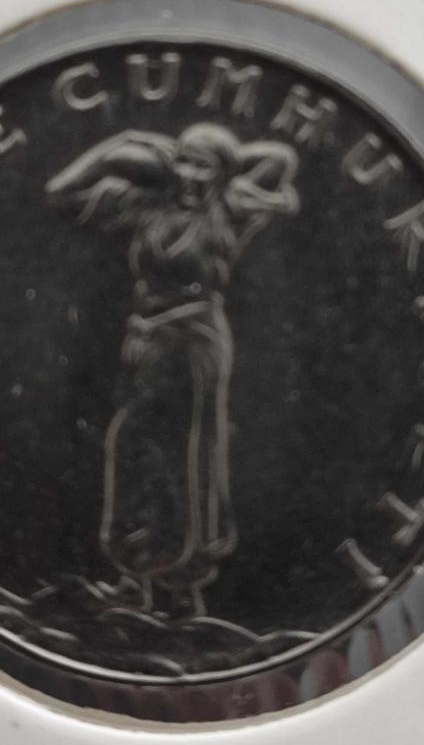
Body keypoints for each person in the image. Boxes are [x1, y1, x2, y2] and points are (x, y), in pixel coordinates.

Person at [46, 123, 298, 617]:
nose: (188, 174)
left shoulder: (230, 212)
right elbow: (60, 193)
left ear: (221, 174)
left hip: (193, 338)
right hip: (145, 337)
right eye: (182, 161)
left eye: (202, 166)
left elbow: (281, 160)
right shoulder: (147, 207)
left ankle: (180, 584)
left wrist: (224, 167)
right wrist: (116, 148)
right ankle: (138, 575)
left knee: (182, 452)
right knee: (136, 447)